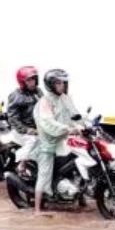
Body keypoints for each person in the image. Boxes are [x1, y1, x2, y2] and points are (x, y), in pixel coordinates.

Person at [33, 69, 83, 213]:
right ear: (50, 84)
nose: (62, 85)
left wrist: (86, 124)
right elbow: (48, 122)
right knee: (44, 174)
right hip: (49, 142)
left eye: (63, 82)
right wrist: (68, 129)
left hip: (65, 140)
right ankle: (37, 210)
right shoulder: (45, 101)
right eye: (59, 83)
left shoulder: (65, 98)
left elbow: (75, 114)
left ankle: (80, 196)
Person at [6, 66, 42, 166]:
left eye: (34, 79)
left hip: (38, 129)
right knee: (33, 141)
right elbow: (13, 118)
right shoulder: (16, 95)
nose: (32, 82)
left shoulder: (38, 92)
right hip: (21, 131)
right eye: (29, 80)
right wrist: (26, 130)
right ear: (22, 82)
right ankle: (22, 164)